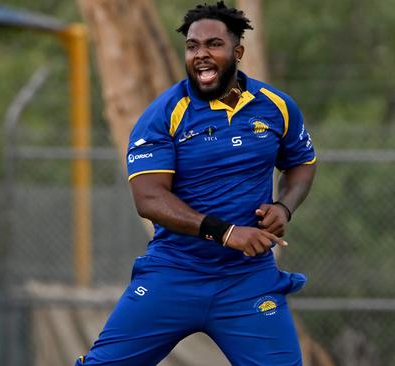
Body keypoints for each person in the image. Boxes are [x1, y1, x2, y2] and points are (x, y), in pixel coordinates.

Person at [76, 2, 316, 365]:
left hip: (247, 279)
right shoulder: (162, 114)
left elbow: (301, 164)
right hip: (174, 274)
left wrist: (284, 206)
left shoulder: (276, 106)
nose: (201, 54)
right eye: (192, 46)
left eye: (213, 45)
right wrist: (225, 232)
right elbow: (150, 199)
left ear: (237, 52)